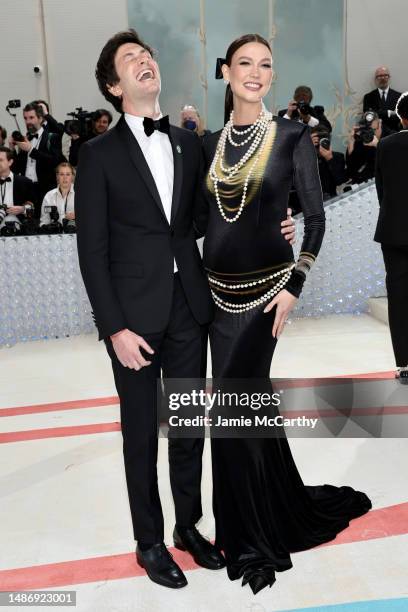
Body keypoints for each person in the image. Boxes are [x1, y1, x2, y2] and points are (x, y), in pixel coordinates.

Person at [75, 28, 295, 591]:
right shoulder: (96, 155)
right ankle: (149, 542)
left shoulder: (187, 144)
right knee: (140, 433)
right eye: (131, 59)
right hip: (133, 318)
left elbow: (209, 218)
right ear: (112, 84)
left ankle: (188, 527)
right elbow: (92, 253)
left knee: (189, 425)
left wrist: (277, 227)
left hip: (189, 307)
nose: (145, 61)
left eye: (146, 55)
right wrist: (113, 329)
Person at [196, 34, 372, 595]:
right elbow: (210, 219)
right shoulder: (207, 143)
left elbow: (314, 220)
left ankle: (251, 543)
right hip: (216, 296)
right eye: (244, 63)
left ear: (273, 76)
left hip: (268, 294)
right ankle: (263, 512)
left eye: (265, 65)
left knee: (229, 403)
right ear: (225, 72)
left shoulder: (294, 135)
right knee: (244, 409)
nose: (255, 72)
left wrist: (296, 283)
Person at [374, 92, 408, 384]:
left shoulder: (386, 145)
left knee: (398, 298)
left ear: (401, 117)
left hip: (394, 232)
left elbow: (380, 191)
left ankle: (405, 365)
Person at [10, 103, 63, 217]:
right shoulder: (26, 138)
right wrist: (12, 149)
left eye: (31, 117)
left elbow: (55, 161)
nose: (28, 121)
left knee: (47, 222)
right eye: (25, 118)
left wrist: (31, 150)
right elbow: (16, 168)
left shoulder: (52, 136)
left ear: (40, 118)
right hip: (27, 190)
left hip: (46, 189)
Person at [345, 111, 393, 185]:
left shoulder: (393, 136)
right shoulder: (364, 137)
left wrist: (377, 145)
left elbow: (397, 163)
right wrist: (351, 142)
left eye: (373, 130)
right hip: (368, 181)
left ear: (380, 122)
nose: (371, 133)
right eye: (368, 129)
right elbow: (351, 169)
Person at [0, 146, 34, 232]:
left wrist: (23, 209)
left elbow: (34, 207)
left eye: (0, 160)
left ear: (10, 162)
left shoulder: (25, 182)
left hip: (19, 228)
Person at [310, 125, 346, 200]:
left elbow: (340, 182)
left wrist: (330, 159)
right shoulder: (306, 160)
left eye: (321, 138)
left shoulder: (338, 157)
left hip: (333, 198)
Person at [363, 66, 402, 132]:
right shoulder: (368, 97)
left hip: (395, 133)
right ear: (375, 79)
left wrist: (377, 113)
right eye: (380, 76)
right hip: (375, 134)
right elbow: (368, 116)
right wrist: (389, 113)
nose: (383, 78)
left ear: (389, 77)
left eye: (385, 75)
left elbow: (401, 116)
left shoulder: (399, 96)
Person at [39, 162, 75, 228]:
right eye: (61, 174)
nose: (65, 178)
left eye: (68, 174)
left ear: (72, 177)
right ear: (57, 176)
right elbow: (44, 221)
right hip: (54, 235)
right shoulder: (49, 196)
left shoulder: (79, 195)